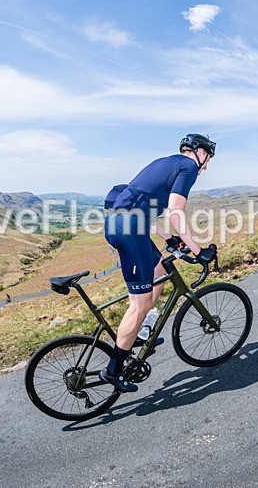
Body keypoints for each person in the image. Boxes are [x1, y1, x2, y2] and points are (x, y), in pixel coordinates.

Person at [100, 134, 217, 392]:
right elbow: (175, 212)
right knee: (139, 304)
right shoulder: (188, 167)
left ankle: (142, 331)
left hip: (126, 224)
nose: (206, 166)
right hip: (130, 229)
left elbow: (147, 208)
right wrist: (199, 251)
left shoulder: (166, 163)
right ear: (199, 151)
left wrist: (170, 239)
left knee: (160, 266)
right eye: (208, 158)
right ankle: (113, 370)